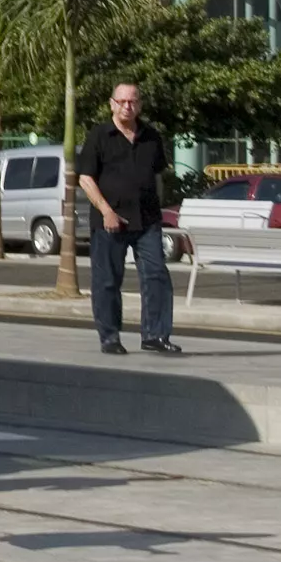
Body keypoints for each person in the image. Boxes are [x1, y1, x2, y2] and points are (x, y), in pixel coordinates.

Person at [75, 81, 177, 356]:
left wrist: (159, 209)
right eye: (122, 101)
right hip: (111, 220)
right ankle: (110, 337)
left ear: (139, 105)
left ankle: (155, 335)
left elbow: (157, 177)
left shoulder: (151, 136)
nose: (127, 106)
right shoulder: (98, 136)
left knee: (156, 275)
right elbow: (85, 179)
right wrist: (106, 211)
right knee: (107, 280)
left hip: (147, 221)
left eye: (132, 102)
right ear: (112, 104)